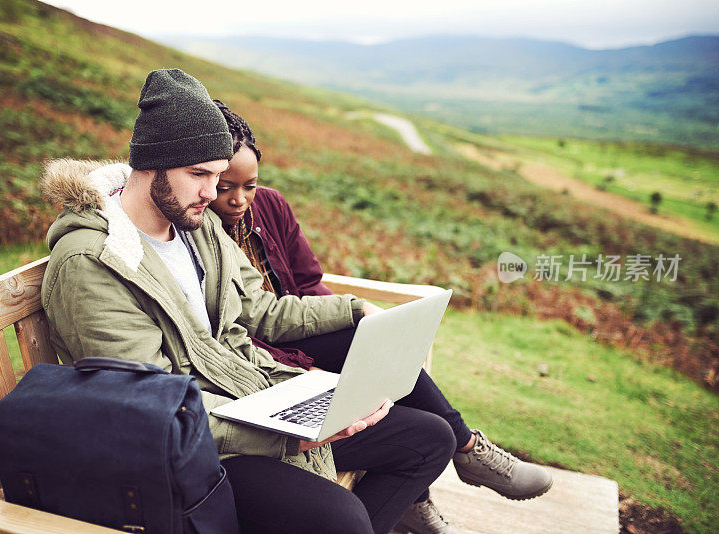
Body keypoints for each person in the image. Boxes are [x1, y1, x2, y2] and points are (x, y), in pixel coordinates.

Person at [40, 68, 456, 534]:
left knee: (428, 439)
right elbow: (149, 407)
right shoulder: (95, 263)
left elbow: (261, 310)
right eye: (198, 174)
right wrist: (285, 436)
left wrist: (355, 310)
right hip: (186, 446)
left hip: (248, 396)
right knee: (341, 519)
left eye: (216, 175)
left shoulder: (196, 226)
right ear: (149, 166)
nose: (210, 192)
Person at [208, 100, 554, 533]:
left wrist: (353, 321)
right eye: (224, 187)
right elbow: (237, 326)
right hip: (262, 362)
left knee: (365, 339)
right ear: (203, 176)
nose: (238, 199)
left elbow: (310, 281)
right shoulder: (198, 228)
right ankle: (467, 449)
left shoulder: (271, 207)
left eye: (250, 185)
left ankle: (432, 475)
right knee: (358, 344)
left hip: (302, 339)